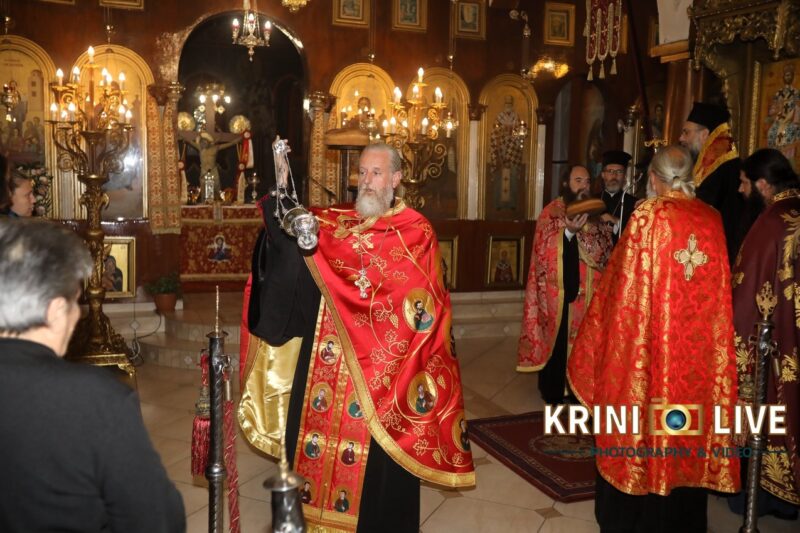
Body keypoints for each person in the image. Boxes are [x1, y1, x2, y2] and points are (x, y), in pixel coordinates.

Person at [238, 141, 474, 532]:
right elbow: (302, 241)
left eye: (376, 173)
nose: (366, 181)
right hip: (325, 363)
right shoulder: (337, 223)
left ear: (396, 179)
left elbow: (423, 306)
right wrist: (284, 210)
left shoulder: (416, 231)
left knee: (375, 484)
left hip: (383, 376)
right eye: (362, 172)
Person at [567, 146, 741, 532]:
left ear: (653, 178)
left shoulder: (648, 215)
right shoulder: (712, 218)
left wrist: (600, 332)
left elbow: (621, 286)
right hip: (697, 354)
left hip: (651, 350)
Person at [0, 218, 185, 532]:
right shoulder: (95, 399)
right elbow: (157, 520)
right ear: (55, 311)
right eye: (76, 302)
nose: (78, 314)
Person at [731, 148, 800, 517]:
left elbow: (747, 293)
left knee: (769, 412)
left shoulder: (770, 223)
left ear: (762, 185)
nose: (741, 191)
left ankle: (765, 499)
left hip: (775, 347)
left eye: (744, 183)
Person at [516, 165, 613, 404]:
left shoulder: (596, 213)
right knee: (559, 341)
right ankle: (556, 390)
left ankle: (582, 390)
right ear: (565, 183)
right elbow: (544, 251)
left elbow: (606, 253)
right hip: (561, 295)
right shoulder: (552, 212)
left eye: (587, 181)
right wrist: (568, 233)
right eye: (578, 180)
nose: (584, 186)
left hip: (591, 296)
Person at [679, 101, 744, 265]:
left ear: (704, 134)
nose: (681, 138)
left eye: (686, 132)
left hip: (718, 256)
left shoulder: (721, 169)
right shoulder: (710, 167)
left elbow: (701, 212)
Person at [489, 95, 524, 211]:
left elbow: (520, 134)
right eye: (506, 104)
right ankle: (497, 204)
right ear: (504, 105)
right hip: (500, 151)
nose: (508, 106)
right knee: (499, 177)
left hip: (513, 153)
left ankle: (512, 204)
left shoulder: (516, 117)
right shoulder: (499, 117)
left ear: (512, 105)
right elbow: (494, 134)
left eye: (510, 104)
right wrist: (503, 131)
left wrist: (514, 132)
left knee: (513, 178)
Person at [598, 150, 638, 245]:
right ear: (603, 175)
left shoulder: (634, 204)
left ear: (624, 176)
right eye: (610, 171)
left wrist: (617, 222)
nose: (614, 176)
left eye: (619, 171)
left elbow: (635, 235)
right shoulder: (591, 201)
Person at [766, 63, 800, 160]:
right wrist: (774, 111)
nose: (787, 77)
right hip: (779, 121)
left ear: (793, 77)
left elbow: (798, 108)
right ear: (783, 77)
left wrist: (796, 121)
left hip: (791, 121)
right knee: (771, 132)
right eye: (786, 75)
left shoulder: (796, 92)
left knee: (790, 133)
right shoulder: (779, 93)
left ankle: (788, 160)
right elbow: (772, 109)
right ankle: (773, 159)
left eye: (789, 75)